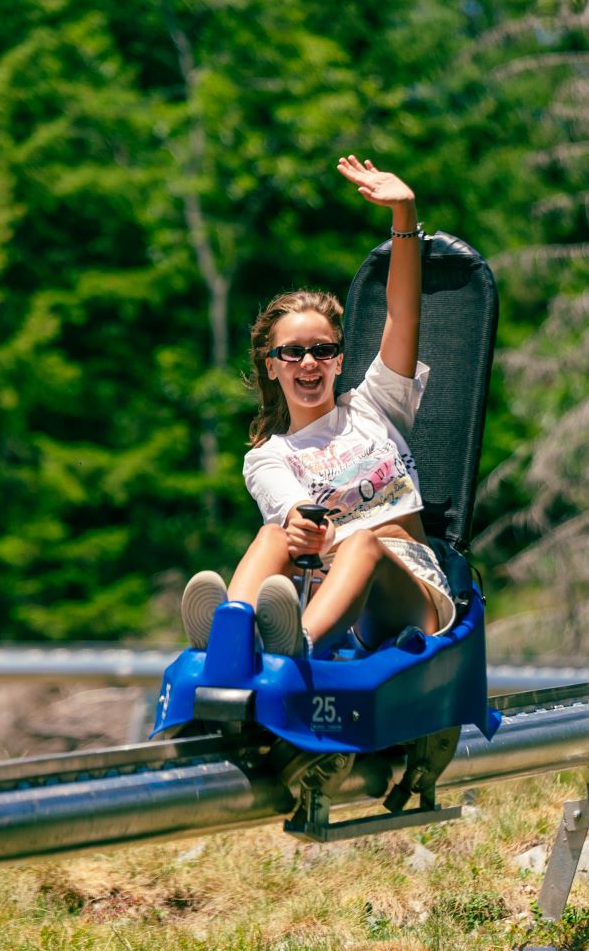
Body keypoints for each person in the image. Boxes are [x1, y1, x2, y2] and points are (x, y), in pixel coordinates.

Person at [180, 156, 455, 659]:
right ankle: (230, 636)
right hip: (329, 594)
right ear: (272, 366)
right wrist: (300, 525)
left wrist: (404, 215)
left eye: (322, 350)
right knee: (272, 538)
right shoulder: (268, 456)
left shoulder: (374, 406)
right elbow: (288, 512)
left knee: (363, 543)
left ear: (338, 361)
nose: (309, 362)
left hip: (409, 596)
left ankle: (298, 642)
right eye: (292, 352)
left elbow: (403, 315)